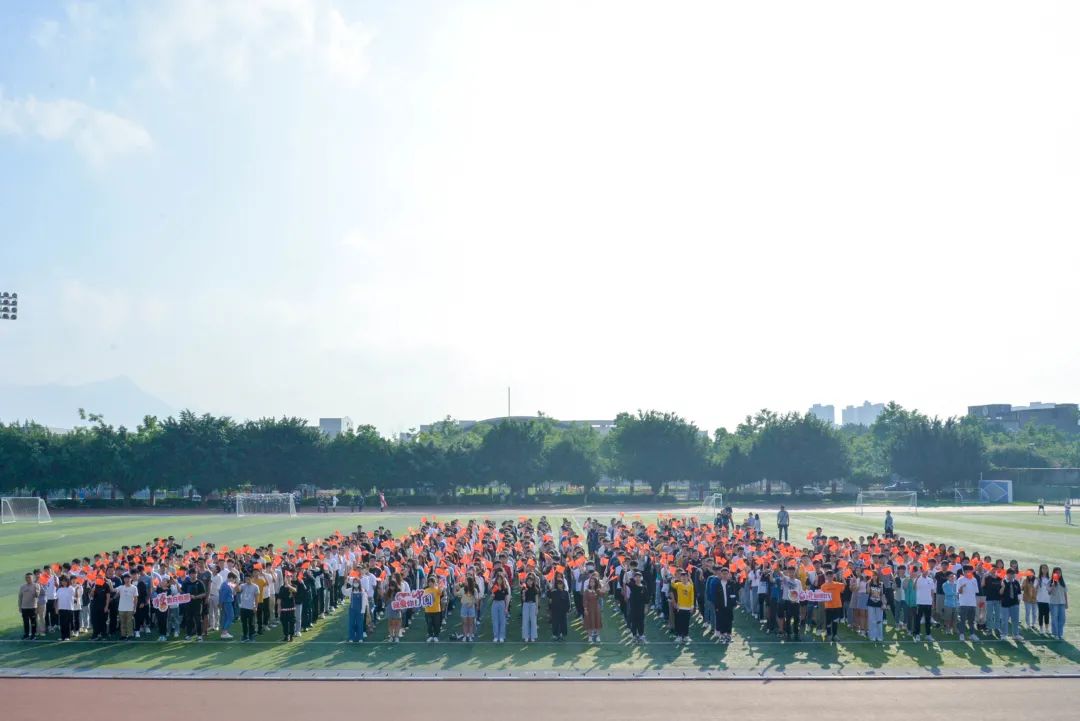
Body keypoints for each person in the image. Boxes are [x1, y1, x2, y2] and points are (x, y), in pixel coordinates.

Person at [713, 567, 739, 643]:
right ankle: (722, 635)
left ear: (728, 574)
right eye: (723, 574)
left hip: (729, 606)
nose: (725, 575)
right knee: (721, 620)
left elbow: (734, 594)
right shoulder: (717, 584)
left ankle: (728, 635)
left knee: (729, 620)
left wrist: (734, 603)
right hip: (720, 607)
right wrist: (716, 607)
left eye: (726, 574)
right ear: (720, 574)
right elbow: (716, 597)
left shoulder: (731, 583)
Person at [583, 573, 609, 643]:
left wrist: (605, 587)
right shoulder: (586, 591)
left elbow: (602, 594)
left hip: (596, 608)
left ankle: (597, 636)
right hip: (589, 608)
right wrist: (585, 609)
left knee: (597, 622)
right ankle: (590, 636)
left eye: (593, 582)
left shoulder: (597, 590)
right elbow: (585, 600)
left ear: (595, 583)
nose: (592, 583)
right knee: (589, 622)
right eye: (590, 582)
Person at [820, 571, 845, 642]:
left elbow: (843, 588)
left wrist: (843, 578)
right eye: (828, 576)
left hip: (837, 606)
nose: (830, 577)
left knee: (835, 621)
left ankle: (835, 635)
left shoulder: (838, 584)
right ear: (826, 576)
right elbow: (821, 596)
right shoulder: (823, 586)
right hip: (828, 606)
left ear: (833, 576)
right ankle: (829, 634)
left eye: (831, 576)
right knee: (828, 622)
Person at [914, 567, 936, 642]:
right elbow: (914, 588)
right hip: (919, 602)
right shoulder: (918, 578)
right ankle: (917, 634)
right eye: (924, 570)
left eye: (927, 570)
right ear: (921, 571)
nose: (926, 572)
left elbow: (932, 591)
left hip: (928, 603)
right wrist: (917, 578)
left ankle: (928, 635)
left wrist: (933, 602)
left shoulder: (930, 579)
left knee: (928, 619)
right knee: (918, 619)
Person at [1000, 568, 1022, 640]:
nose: (1012, 576)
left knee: (1015, 620)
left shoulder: (1016, 582)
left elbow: (1019, 592)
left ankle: (1015, 635)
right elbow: (1000, 593)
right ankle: (1004, 634)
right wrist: (1003, 587)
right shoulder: (1003, 582)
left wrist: (1019, 601)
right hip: (1005, 604)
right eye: (1011, 574)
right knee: (1004, 620)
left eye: (1013, 574)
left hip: (1015, 604)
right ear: (1007, 574)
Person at [456, 576, 480, 642]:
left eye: (466, 581)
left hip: (471, 607)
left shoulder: (474, 590)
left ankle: (470, 636)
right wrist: (455, 587)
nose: (465, 582)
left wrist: (472, 603)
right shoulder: (462, 589)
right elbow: (456, 594)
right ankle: (465, 636)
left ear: (470, 582)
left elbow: (476, 599)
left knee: (471, 623)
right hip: (464, 607)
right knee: (464, 623)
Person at [1048, 568, 1068, 640]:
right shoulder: (1050, 581)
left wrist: (1066, 603)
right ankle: (1055, 634)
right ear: (1053, 573)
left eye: (1059, 572)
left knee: (1062, 619)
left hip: (1062, 603)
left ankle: (1060, 633)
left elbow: (1065, 593)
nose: (1058, 574)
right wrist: (1053, 586)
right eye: (1056, 572)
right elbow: (1049, 592)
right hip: (1053, 603)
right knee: (1054, 619)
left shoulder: (1063, 582)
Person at [18, 573, 40, 640]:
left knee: (33, 622)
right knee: (25, 622)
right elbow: (20, 598)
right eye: (26, 577)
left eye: (29, 577)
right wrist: (20, 607)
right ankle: (26, 634)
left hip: (33, 607)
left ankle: (33, 634)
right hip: (24, 607)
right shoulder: (22, 587)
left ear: (32, 578)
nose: (27, 579)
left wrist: (36, 590)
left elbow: (37, 595)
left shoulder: (36, 585)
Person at [238, 574, 259, 642]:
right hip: (243, 607)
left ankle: (251, 636)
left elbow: (257, 598)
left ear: (252, 578)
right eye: (246, 579)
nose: (247, 580)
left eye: (248, 579)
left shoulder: (255, 587)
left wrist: (256, 606)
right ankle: (245, 636)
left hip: (251, 608)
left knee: (251, 623)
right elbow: (238, 590)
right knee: (244, 623)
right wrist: (237, 584)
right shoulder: (242, 585)